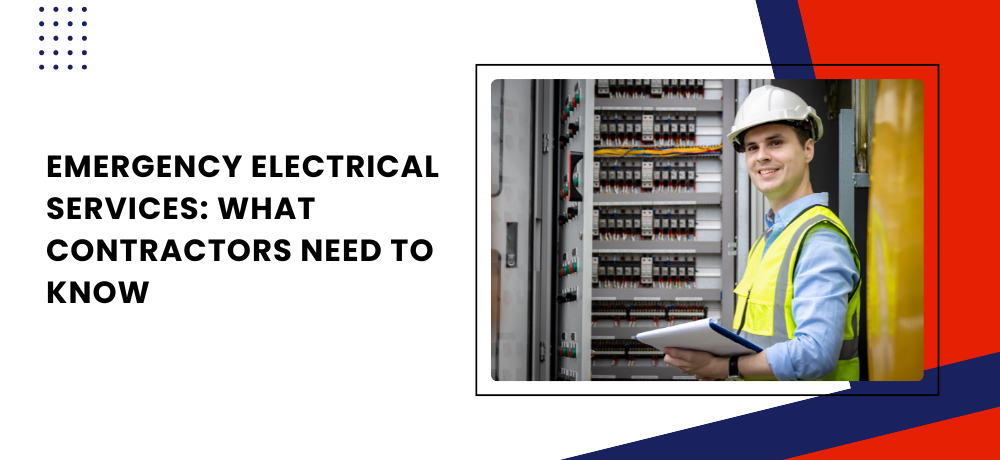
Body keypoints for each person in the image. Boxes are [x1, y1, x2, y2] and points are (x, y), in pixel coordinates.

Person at [660, 85, 862, 381]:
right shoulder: (772, 236)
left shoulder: (820, 239)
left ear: (808, 149)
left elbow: (816, 354)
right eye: (752, 147)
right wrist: (716, 357)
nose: (761, 156)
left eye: (775, 142)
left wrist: (723, 368)